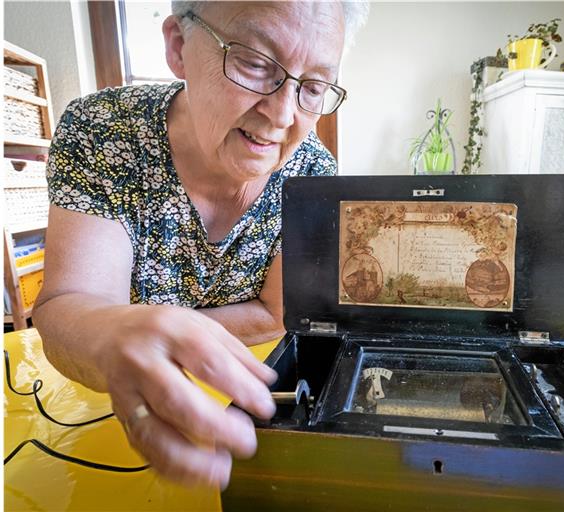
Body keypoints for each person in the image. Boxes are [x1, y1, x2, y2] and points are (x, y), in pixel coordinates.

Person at [32, 0, 368, 488]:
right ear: (178, 46)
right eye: (254, 62)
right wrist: (115, 335)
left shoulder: (312, 172)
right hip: (104, 397)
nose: (282, 113)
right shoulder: (103, 132)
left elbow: (278, 313)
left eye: (313, 87)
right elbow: (67, 303)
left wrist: (172, 337)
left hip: (249, 379)